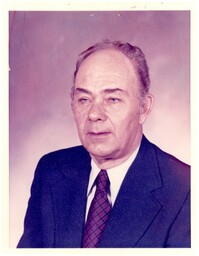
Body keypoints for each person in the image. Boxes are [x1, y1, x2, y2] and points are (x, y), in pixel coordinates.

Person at [17, 39, 190, 248]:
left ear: (144, 107)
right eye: (84, 100)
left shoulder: (185, 189)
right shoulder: (51, 170)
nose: (94, 114)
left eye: (113, 100)